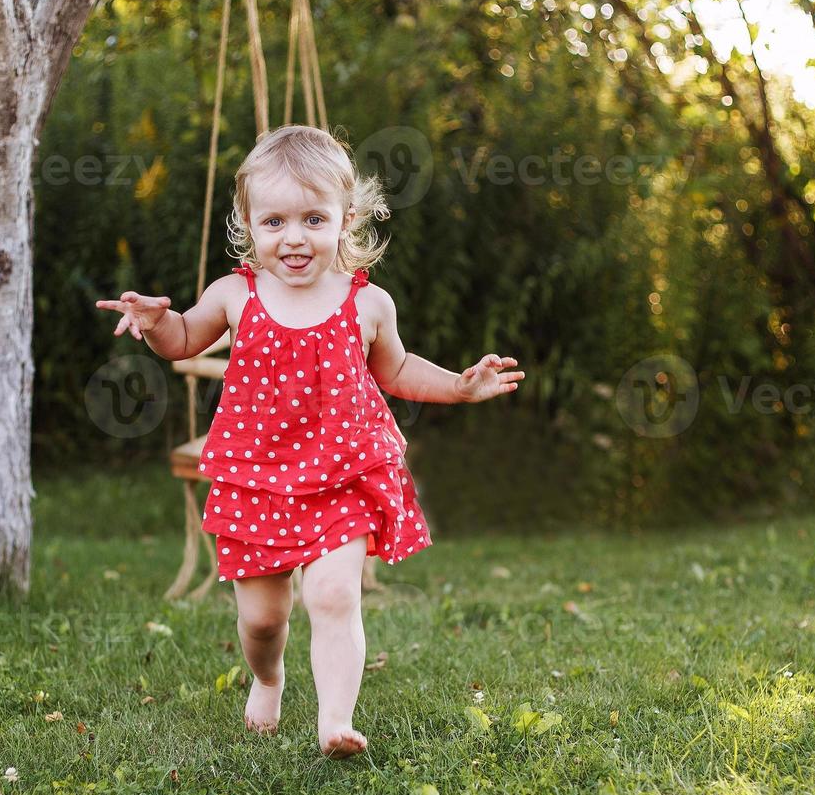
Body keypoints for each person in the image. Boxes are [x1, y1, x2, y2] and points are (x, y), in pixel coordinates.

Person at [95, 125, 524, 758]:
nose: (293, 238)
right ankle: (267, 678)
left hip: (342, 470)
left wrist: (461, 388)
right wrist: (159, 323)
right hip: (257, 476)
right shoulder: (236, 294)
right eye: (273, 222)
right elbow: (185, 339)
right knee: (263, 621)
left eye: (313, 219)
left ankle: (335, 721)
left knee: (332, 594)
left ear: (344, 220)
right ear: (248, 223)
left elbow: (397, 372)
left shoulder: (368, 303)